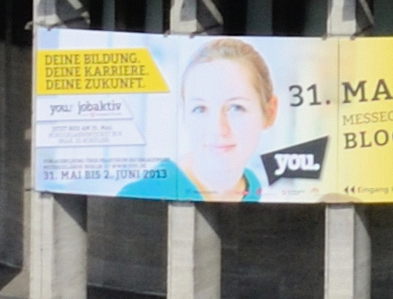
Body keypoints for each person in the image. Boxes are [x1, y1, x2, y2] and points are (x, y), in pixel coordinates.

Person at [115, 33, 290, 206]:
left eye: (235, 107)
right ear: (184, 115)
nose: (218, 129)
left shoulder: (251, 185)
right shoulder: (139, 196)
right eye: (200, 109)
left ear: (270, 112)